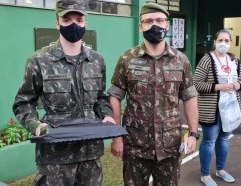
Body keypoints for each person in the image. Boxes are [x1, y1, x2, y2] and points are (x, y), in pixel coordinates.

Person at [12, 0, 115, 185]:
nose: (74, 24)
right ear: (57, 23)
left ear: (85, 23)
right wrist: (35, 125)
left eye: (79, 19)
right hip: (55, 158)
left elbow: (100, 98)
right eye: (67, 19)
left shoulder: (97, 60)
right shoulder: (39, 60)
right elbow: (23, 102)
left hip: (90, 155)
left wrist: (106, 114)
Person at [107, 2, 199, 186]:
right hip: (135, 146)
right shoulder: (128, 58)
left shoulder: (180, 60)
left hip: (169, 145)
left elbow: (189, 97)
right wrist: (117, 136)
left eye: (159, 20)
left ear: (167, 24)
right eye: (148, 21)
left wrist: (193, 134)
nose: (154, 25)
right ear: (140, 26)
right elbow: (115, 96)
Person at [193, 29, 241, 186]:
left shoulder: (234, 61)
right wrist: (219, 86)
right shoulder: (207, 59)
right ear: (215, 41)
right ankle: (205, 175)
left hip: (229, 108)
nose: (224, 43)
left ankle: (221, 170)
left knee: (223, 139)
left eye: (227, 41)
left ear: (230, 43)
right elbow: (197, 83)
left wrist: (237, 85)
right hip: (212, 109)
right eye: (220, 40)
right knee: (209, 141)